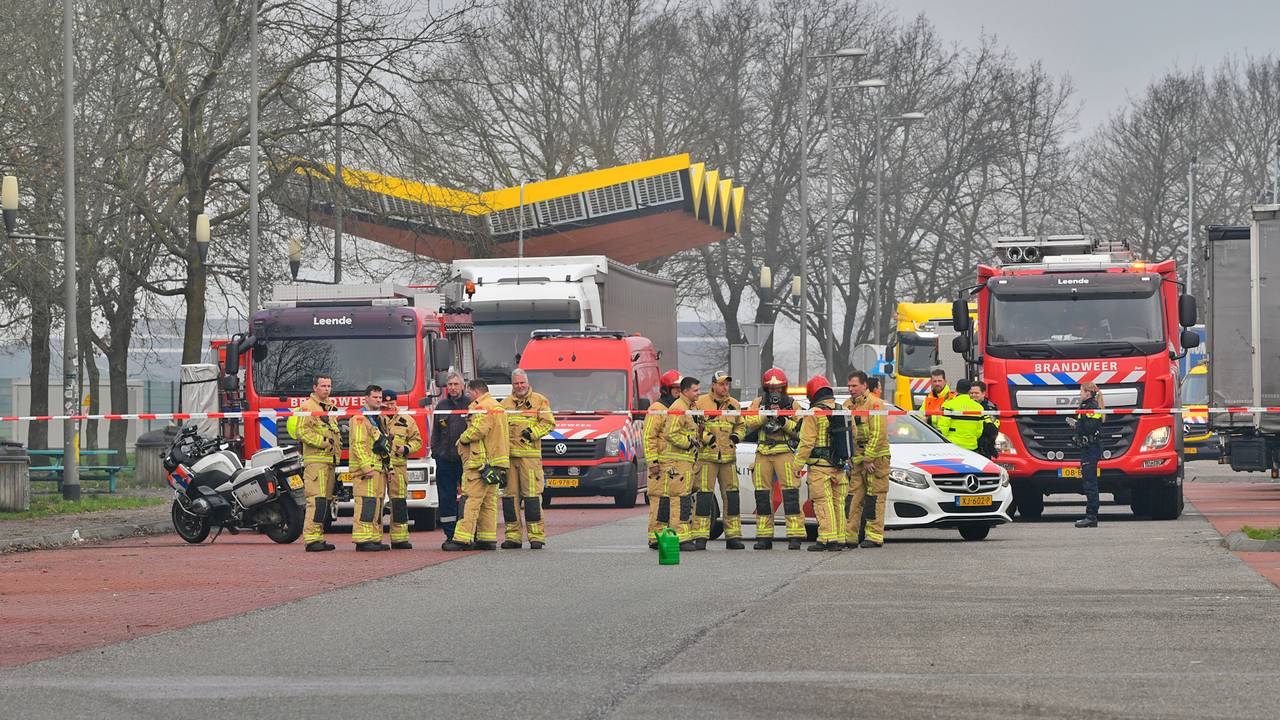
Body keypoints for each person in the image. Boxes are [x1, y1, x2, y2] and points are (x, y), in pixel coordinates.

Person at [443, 379, 509, 551]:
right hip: (495, 462)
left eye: (469, 393)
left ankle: (461, 539)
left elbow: (479, 429)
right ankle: (487, 539)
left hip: (480, 463)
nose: (469, 397)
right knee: (489, 502)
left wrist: (462, 438)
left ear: (475, 391)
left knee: (470, 500)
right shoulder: (497, 406)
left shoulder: (480, 406)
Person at [741, 368, 803, 550]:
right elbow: (748, 423)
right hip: (763, 453)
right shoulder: (758, 403)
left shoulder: (793, 405)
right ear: (765, 388)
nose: (775, 393)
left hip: (785, 453)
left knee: (791, 495)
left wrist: (783, 421)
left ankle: (795, 535)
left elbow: (800, 430)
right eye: (771, 389)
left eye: (778, 389)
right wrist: (765, 415)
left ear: (784, 388)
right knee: (762, 495)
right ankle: (764, 535)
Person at [500, 369, 555, 549]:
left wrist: (532, 433)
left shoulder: (539, 400)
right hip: (509, 459)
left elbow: (549, 423)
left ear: (527, 382)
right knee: (509, 499)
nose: (519, 386)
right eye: (516, 383)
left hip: (530, 460)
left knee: (532, 498)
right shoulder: (504, 404)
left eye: (522, 383)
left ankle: (536, 536)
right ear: (512, 385)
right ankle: (513, 536)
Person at [693, 371, 744, 550]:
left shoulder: (734, 404)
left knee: (732, 496)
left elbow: (741, 424)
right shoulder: (700, 403)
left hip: (728, 458)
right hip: (707, 458)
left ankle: (733, 536)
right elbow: (694, 426)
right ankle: (700, 535)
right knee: (704, 496)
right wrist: (708, 439)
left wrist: (737, 436)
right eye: (722, 384)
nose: (725, 387)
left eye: (727, 384)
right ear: (713, 385)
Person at [794, 376, 845, 552]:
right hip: (839, 466)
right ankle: (840, 537)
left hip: (819, 467)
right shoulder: (841, 409)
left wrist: (797, 466)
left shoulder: (814, 413)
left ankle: (827, 539)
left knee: (823, 503)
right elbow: (851, 435)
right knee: (838, 503)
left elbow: (806, 443)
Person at [845, 370, 889, 549]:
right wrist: (849, 456)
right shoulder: (847, 405)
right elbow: (847, 434)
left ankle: (874, 535)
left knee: (874, 498)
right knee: (853, 498)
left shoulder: (876, 404)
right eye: (849, 386)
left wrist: (868, 458)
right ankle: (850, 535)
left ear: (864, 385)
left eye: (854, 386)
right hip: (856, 459)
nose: (851, 389)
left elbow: (878, 433)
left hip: (876, 460)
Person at [297, 375, 341, 552]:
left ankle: (319, 536)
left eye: (329, 386)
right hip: (316, 461)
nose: (327, 389)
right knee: (316, 501)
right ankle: (311, 539)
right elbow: (302, 431)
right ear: (315, 387)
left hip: (329, 461)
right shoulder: (307, 407)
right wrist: (323, 442)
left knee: (325, 502)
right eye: (323, 385)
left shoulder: (330, 407)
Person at [349, 384, 390, 552]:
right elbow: (357, 445)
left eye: (380, 398)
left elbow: (385, 445)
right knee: (366, 503)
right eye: (375, 397)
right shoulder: (360, 418)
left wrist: (389, 467)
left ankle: (374, 538)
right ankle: (363, 539)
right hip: (367, 471)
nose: (378, 400)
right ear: (366, 398)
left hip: (379, 468)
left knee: (377, 504)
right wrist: (366, 467)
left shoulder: (379, 418)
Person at [643, 370, 682, 547]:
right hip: (660, 464)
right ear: (666, 389)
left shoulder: (679, 408)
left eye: (681, 388)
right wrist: (653, 462)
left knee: (671, 500)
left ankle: (667, 535)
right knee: (659, 500)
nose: (678, 392)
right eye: (675, 388)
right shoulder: (657, 409)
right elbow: (649, 437)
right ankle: (655, 537)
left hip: (674, 463)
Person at [663, 376, 702, 551]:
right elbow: (671, 433)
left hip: (687, 462)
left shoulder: (690, 407)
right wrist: (689, 442)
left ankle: (685, 535)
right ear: (685, 391)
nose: (698, 393)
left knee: (686, 498)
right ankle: (680, 538)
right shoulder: (678, 408)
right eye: (695, 390)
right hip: (678, 462)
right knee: (679, 499)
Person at [381, 390, 422, 549]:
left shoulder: (407, 420)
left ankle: (400, 538)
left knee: (398, 502)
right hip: (379, 466)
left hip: (398, 467)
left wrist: (405, 448)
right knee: (376, 502)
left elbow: (417, 441)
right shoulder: (376, 419)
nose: (390, 406)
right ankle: (375, 538)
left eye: (392, 403)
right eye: (386, 404)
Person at [431, 373, 469, 542]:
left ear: (462, 386)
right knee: (446, 497)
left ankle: (466, 531)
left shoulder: (470, 405)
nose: (452, 387)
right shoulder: (441, 406)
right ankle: (450, 534)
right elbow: (436, 432)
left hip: (465, 460)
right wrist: (436, 452)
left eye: (456, 384)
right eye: (450, 384)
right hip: (445, 459)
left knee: (467, 497)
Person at [1074, 382, 1105, 528]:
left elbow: (1091, 426)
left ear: (1088, 393)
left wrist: (1078, 425)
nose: (1079, 394)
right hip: (1087, 448)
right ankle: (1091, 515)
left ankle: (1091, 516)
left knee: (1090, 483)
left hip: (1091, 448)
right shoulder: (1085, 407)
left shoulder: (1091, 407)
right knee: (1088, 482)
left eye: (1081, 391)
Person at [936, 379, 985, 452]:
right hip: (972, 446)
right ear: (969, 390)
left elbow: (943, 427)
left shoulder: (949, 404)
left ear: (956, 389)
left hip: (953, 446)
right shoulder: (979, 407)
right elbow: (979, 431)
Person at [970, 381, 1001, 459]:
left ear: (983, 393)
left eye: (976, 393)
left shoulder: (989, 408)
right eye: (971, 393)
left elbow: (993, 430)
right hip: (970, 445)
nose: (973, 395)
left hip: (984, 447)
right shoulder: (967, 406)